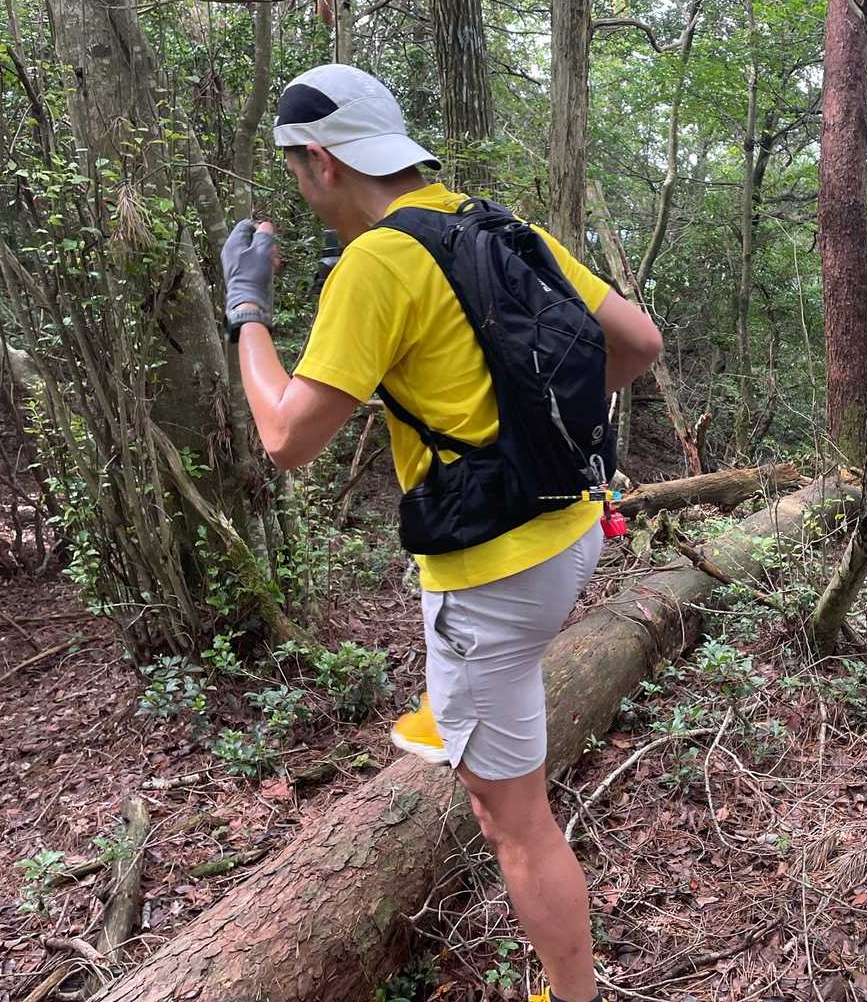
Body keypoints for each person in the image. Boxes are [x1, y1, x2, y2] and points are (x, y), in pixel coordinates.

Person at [220, 64, 661, 1002]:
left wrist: (247, 312)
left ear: (323, 161)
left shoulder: (377, 262)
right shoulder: (499, 225)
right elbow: (639, 344)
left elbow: (286, 438)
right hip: (573, 524)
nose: (302, 190)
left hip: (492, 576)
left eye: (298, 172)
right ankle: (459, 692)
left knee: (513, 823)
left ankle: (571, 996)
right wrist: (544, 433)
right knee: (493, 662)